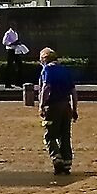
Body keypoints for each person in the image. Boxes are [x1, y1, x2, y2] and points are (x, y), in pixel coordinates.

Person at [34, 47, 80, 175]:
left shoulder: (47, 69)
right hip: (66, 106)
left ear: (44, 59)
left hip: (53, 106)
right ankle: (67, 163)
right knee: (65, 136)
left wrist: (41, 105)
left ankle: (57, 159)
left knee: (50, 136)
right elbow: (73, 92)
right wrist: (74, 109)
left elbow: (46, 87)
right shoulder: (65, 70)